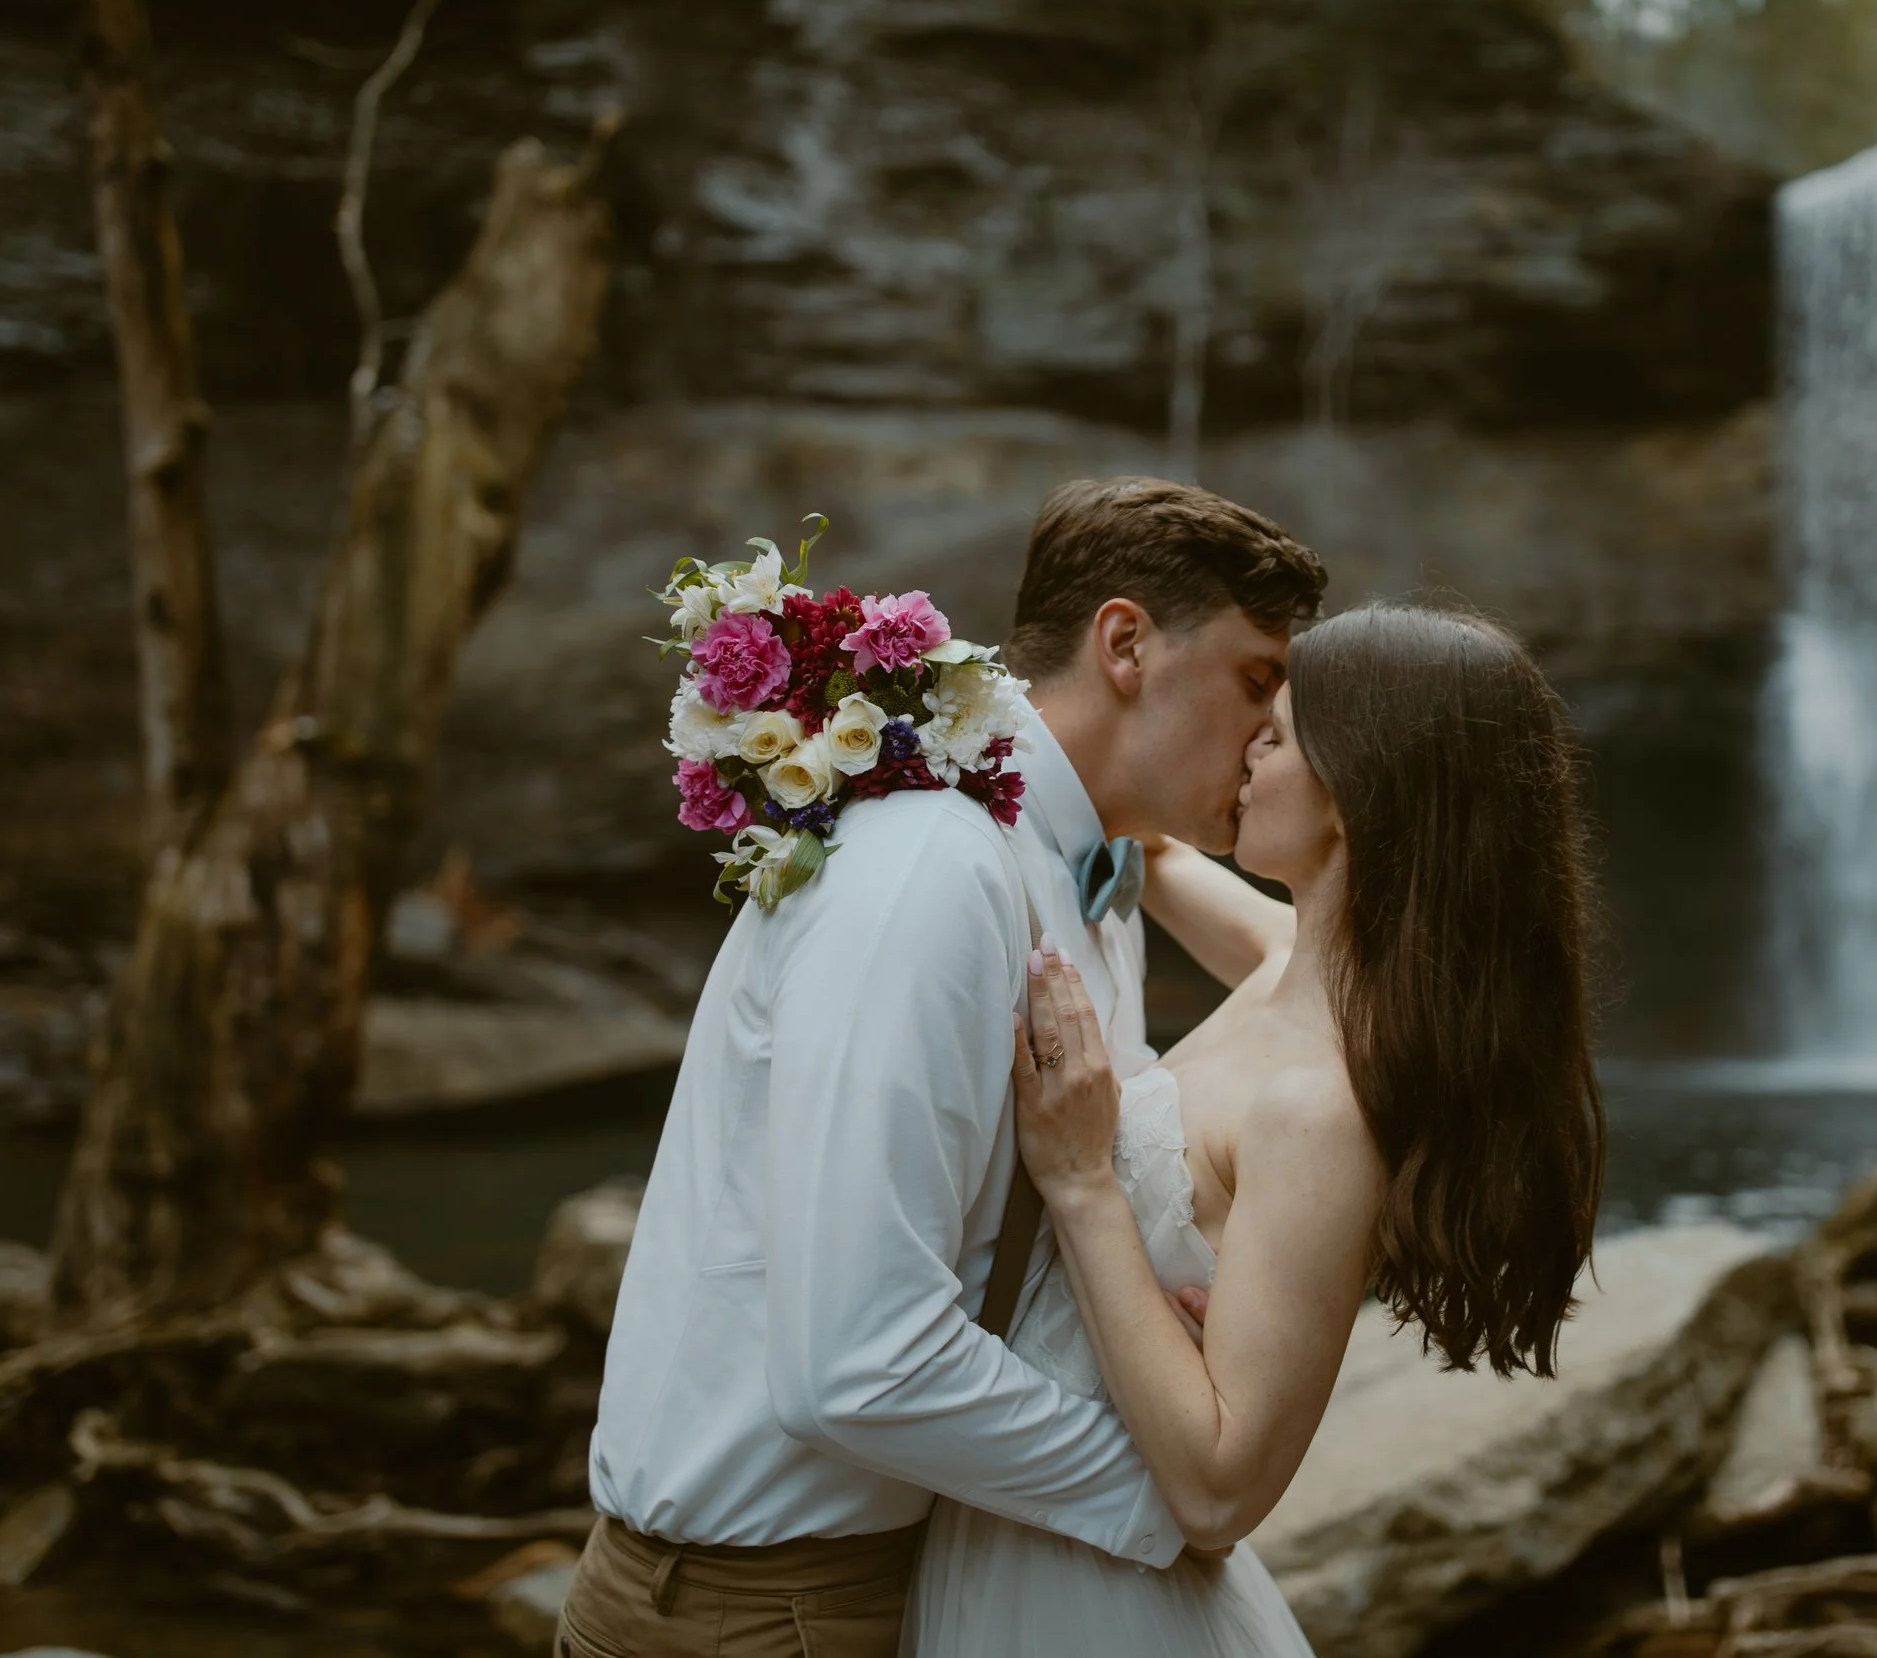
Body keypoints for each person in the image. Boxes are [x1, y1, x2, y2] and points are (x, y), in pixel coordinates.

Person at [556, 477, 1327, 1658]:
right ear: (1126, 643)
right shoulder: (929, 871)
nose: (1275, 730)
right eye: (1256, 677)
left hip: (897, 1581)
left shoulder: (1092, 881)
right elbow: (858, 1359)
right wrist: (1160, 1492)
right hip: (755, 1612)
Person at [904, 603, 1609, 1656]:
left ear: (1356, 795)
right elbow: (1164, 863)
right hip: (1021, 1536)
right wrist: (1094, 785)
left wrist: (1088, 1181)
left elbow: (1220, 1489)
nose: (1244, 754)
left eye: (1274, 735)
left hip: (1091, 1597)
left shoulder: (1319, 1107)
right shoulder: (1309, 969)